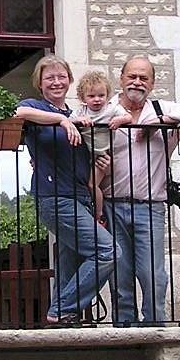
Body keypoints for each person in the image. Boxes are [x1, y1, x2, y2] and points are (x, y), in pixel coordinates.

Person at [15, 55, 118, 325]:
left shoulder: (78, 114)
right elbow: (20, 114)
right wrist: (60, 122)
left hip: (82, 197)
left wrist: (101, 166)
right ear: (40, 82)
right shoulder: (35, 107)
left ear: (70, 80)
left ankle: (63, 317)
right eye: (50, 77)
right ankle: (62, 308)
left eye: (62, 76)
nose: (57, 82)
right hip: (55, 197)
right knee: (107, 251)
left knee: (69, 264)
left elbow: (88, 155)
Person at [101, 55, 180, 325]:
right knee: (120, 275)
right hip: (112, 205)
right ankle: (125, 330)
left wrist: (157, 123)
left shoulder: (161, 109)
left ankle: (154, 327)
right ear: (121, 78)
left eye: (144, 78)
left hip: (150, 207)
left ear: (152, 83)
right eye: (132, 76)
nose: (137, 82)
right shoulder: (106, 109)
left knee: (152, 274)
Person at [71, 70, 130, 222]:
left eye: (101, 95)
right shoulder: (81, 111)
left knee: (92, 184)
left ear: (107, 96)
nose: (97, 100)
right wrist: (79, 120)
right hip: (84, 154)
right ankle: (88, 209)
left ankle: (98, 214)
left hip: (102, 155)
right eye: (91, 96)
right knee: (82, 184)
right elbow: (67, 121)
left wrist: (119, 121)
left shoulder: (111, 109)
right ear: (82, 98)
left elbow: (128, 117)